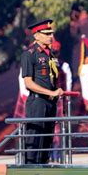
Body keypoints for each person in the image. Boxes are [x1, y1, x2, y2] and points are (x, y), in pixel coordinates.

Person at [20, 19, 64, 164]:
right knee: (34, 140)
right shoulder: (29, 54)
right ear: (36, 36)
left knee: (47, 140)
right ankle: (31, 171)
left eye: (51, 33)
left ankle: (44, 168)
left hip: (50, 103)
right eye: (46, 33)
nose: (50, 36)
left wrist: (55, 93)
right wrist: (50, 93)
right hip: (37, 102)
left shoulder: (50, 55)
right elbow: (28, 83)